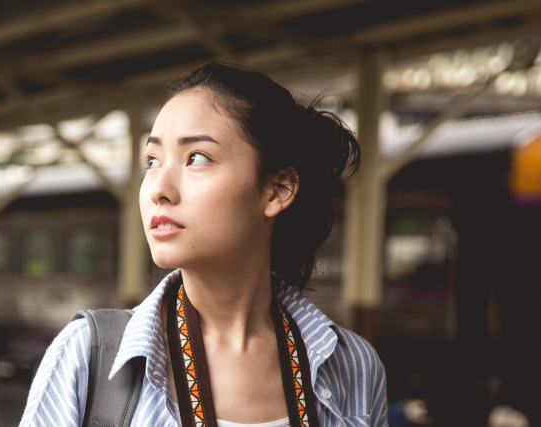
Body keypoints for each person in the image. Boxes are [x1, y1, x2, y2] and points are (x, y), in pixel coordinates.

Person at [20, 63, 387, 427]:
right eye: (152, 160)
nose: (158, 189)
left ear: (277, 190)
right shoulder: (89, 357)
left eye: (196, 158)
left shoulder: (353, 367)